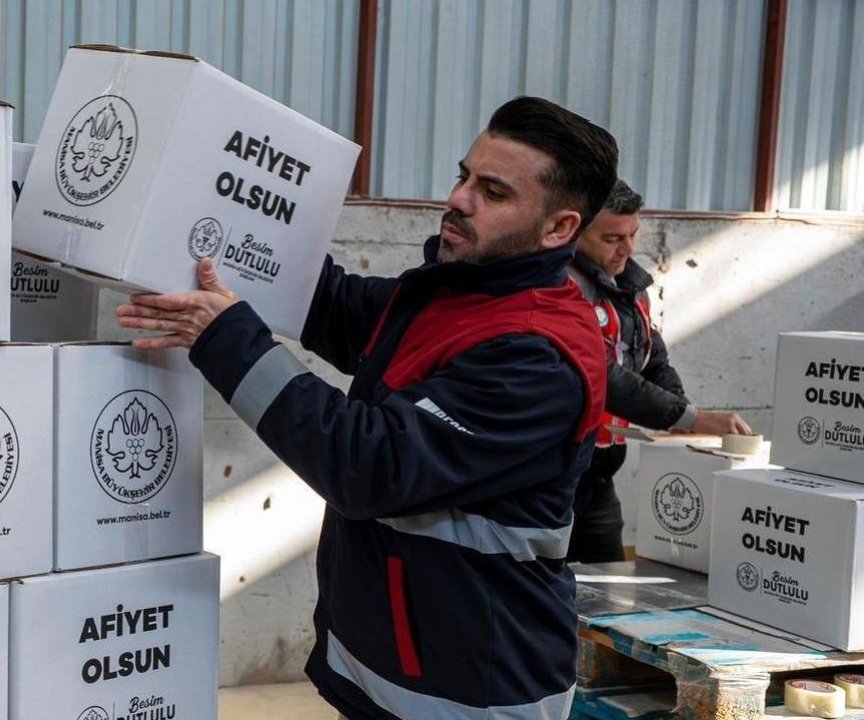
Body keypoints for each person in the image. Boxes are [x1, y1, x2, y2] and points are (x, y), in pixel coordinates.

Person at [117, 96, 616, 720]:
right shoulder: (453, 296)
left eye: (492, 191)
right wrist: (208, 220)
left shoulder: (537, 357)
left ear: (559, 228)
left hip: (475, 690)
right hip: (398, 667)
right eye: (463, 176)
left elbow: (367, 465)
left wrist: (224, 337)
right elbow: (330, 304)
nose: (459, 199)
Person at [565, 180, 752, 563]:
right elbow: (601, 375)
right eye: (613, 238)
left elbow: (654, 362)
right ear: (574, 230)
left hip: (599, 480)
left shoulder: (632, 288)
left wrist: (683, 415)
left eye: (633, 234)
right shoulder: (560, 289)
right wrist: (689, 417)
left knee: (606, 590)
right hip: (552, 480)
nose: (629, 249)